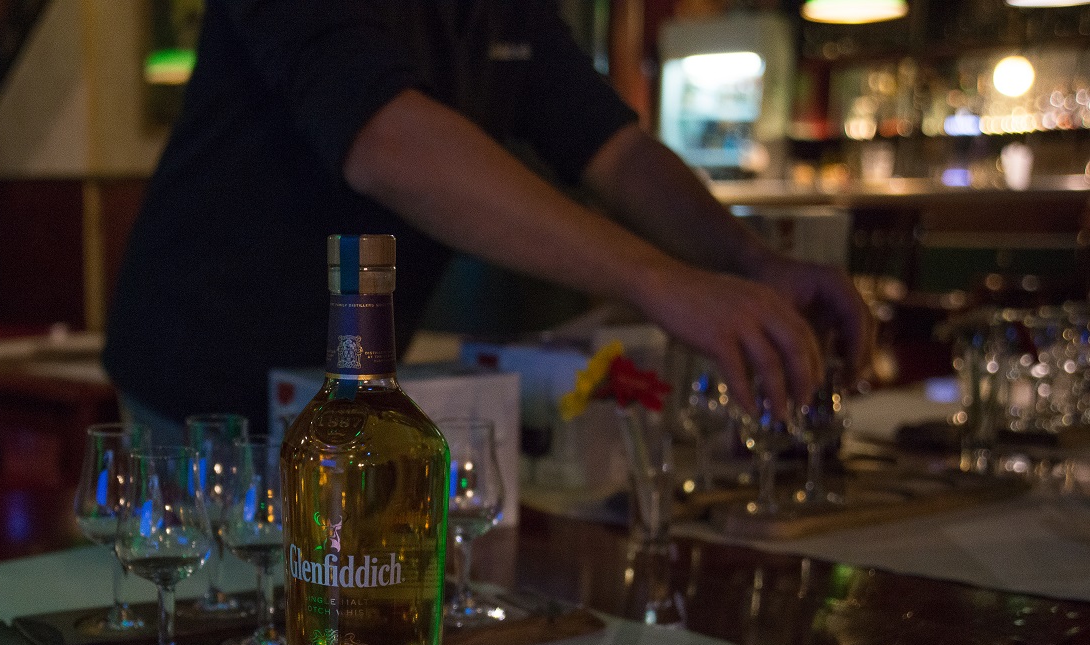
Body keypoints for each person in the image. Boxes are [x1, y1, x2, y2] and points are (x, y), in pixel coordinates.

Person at [104, 0, 872, 437]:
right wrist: (659, 281)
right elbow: (385, 140)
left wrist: (751, 261)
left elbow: (615, 149)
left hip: (343, 382)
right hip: (200, 376)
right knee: (219, 641)